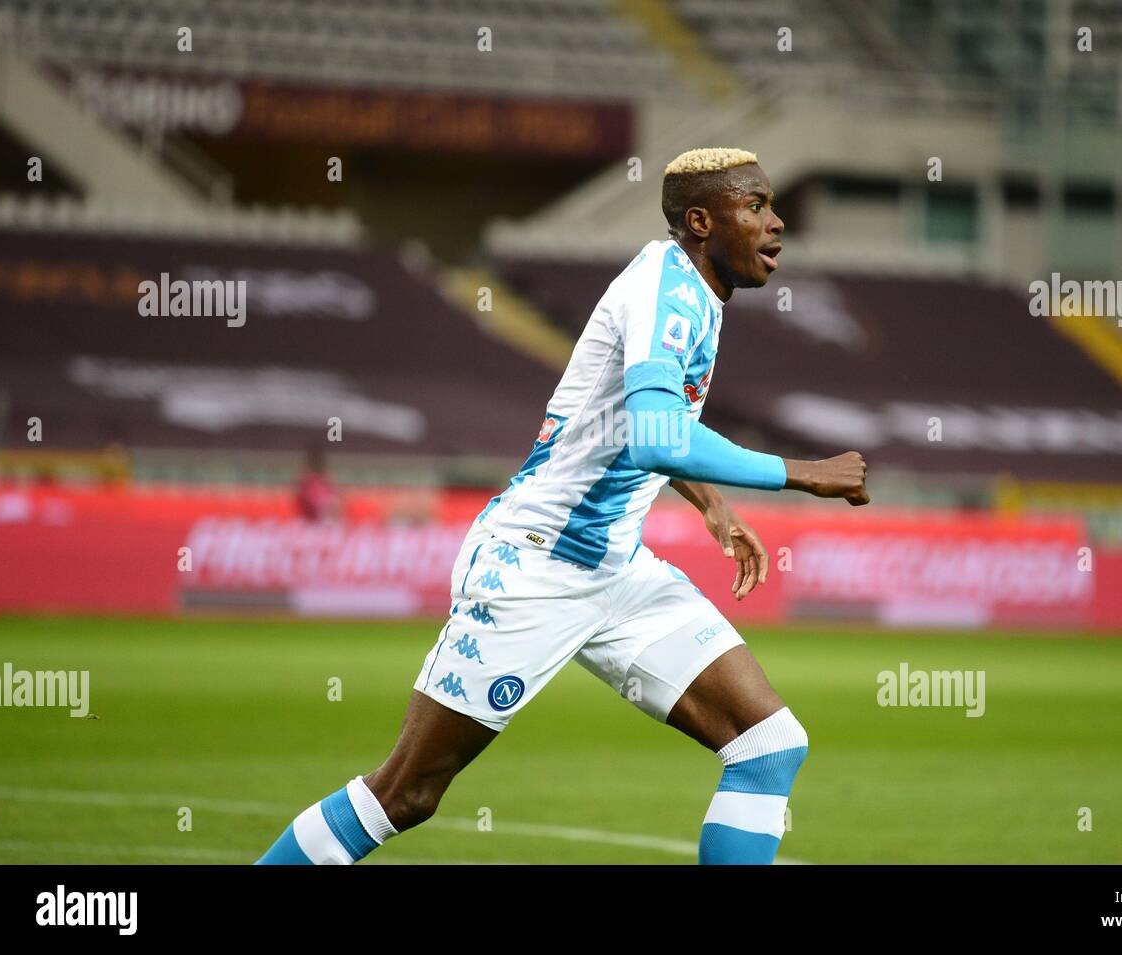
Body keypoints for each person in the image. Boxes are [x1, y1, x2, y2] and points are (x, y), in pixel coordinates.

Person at [257, 147, 869, 865]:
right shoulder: (666, 294)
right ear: (701, 221)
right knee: (407, 794)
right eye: (757, 206)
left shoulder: (692, 288)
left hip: (616, 569)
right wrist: (802, 473)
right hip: (534, 566)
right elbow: (658, 435)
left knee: (768, 744)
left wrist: (710, 502)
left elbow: (631, 423)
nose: (777, 223)